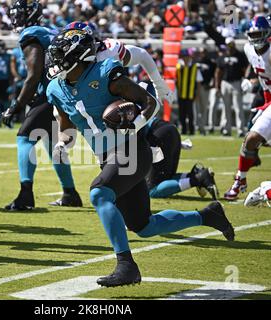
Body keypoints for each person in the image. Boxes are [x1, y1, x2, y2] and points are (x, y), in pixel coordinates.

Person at [46, 28, 234, 287]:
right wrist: (62, 143)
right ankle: (207, 215)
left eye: (61, 58)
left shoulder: (106, 74)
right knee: (144, 226)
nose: (55, 64)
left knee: (99, 193)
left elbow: (150, 103)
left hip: (132, 150)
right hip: (107, 156)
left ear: (79, 57)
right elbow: (68, 125)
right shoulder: (57, 88)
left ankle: (126, 265)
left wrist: (133, 126)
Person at [1, 0, 82, 210]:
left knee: (24, 139)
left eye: (17, 14)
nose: (14, 18)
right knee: (52, 143)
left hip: (51, 93)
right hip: (66, 93)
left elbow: (34, 73)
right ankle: (70, 193)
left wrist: (16, 105)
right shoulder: (50, 30)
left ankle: (25, 194)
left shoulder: (32, 33)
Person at [224, 16, 271, 200]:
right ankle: (240, 180)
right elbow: (258, 72)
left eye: (259, 34)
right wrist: (250, 81)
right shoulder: (248, 49)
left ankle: (265, 190)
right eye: (253, 34)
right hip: (268, 98)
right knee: (250, 139)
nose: (256, 38)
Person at [144, 117, 218, 200]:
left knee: (152, 190)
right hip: (170, 130)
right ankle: (195, 174)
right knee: (166, 177)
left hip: (159, 135)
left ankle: (198, 179)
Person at [215, 37, 248, 137]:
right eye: (228, 45)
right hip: (225, 83)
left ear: (234, 44)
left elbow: (245, 69)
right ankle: (226, 129)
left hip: (236, 82)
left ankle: (240, 129)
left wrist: (245, 81)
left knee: (238, 107)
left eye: (231, 45)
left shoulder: (240, 56)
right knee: (226, 107)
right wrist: (217, 86)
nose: (230, 47)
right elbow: (218, 71)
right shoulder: (223, 56)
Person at [176, 49, 203, 135]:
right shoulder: (178, 67)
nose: (185, 59)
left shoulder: (195, 67)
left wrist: (198, 94)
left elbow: (198, 82)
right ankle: (184, 130)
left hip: (191, 94)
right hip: (181, 94)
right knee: (182, 113)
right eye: (184, 57)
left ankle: (191, 130)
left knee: (190, 114)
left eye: (186, 57)